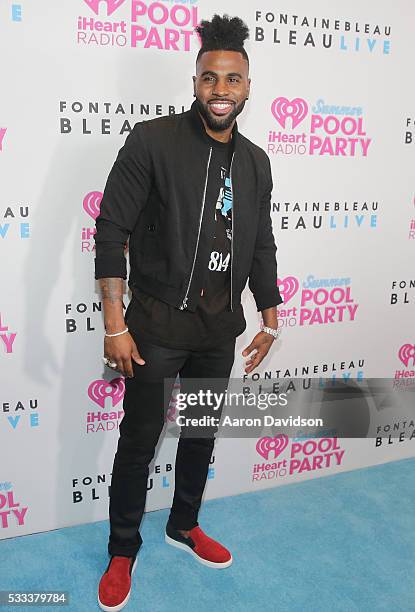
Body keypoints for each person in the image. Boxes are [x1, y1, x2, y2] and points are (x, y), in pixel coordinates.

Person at [94, 14, 283, 611]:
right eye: (209, 78)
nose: (220, 90)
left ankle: (184, 524)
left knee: (200, 433)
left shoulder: (256, 162)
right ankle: (123, 548)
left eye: (232, 79)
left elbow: (260, 243)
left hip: (217, 328)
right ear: (195, 80)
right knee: (140, 438)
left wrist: (269, 314)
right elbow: (110, 229)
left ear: (248, 86)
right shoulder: (152, 140)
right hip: (154, 323)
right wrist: (115, 322)